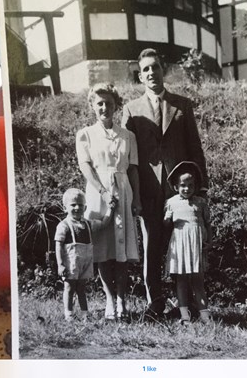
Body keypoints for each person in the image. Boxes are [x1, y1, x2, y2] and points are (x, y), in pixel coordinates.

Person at [121, 48, 208, 316]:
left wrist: (201, 186)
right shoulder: (131, 110)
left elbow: (195, 147)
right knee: (152, 245)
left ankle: (185, 303)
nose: (151, 73)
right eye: (145, 69)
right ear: (140, 76)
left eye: (155, 67)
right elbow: (126, 156)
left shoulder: (182, 105)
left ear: (164, 70)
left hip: (179, 191)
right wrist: (130, 192)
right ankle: (155, 301)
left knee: (181, 244)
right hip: (146, 190)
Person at [76, 83, 141, 320]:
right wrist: (103, 192)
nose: (105, 107)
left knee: (121, 249)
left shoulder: (128, 136)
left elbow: (133, 170)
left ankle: (123, 299)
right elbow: (86, 167)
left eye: (109, 103)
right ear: (93, 106)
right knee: (103, 249)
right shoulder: (85, 134)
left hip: (123, 191)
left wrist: (137, 199)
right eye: (100, 103)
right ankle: (110, 301)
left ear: (116, 106)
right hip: (98, 193)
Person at [55, 188, 116, 321]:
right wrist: (60, 264)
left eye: (80, 205)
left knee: (82, 287)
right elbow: (58, 245)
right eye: (73, 205)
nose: (77, 207)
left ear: (85, 207)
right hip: (71, 262)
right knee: (69, 286)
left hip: (85, 262)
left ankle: (84, 314)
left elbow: (104, 223)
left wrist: (111, 209)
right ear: (65, 208)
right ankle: (69, 314)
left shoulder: (88, 224)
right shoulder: (64, 225)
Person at [164, 161, 212, 325]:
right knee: (182, 280)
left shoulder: (201, 202)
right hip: (180, 244)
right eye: (183, 185)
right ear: (176, 186)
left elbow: (207, 224)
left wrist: (209, 242)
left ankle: (205, 316)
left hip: (196, 245)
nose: (187, 188)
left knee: (198, 281)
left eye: (191, 185)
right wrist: (166, 219)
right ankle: (185, 315)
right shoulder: (171, 202)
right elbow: (166, 225)